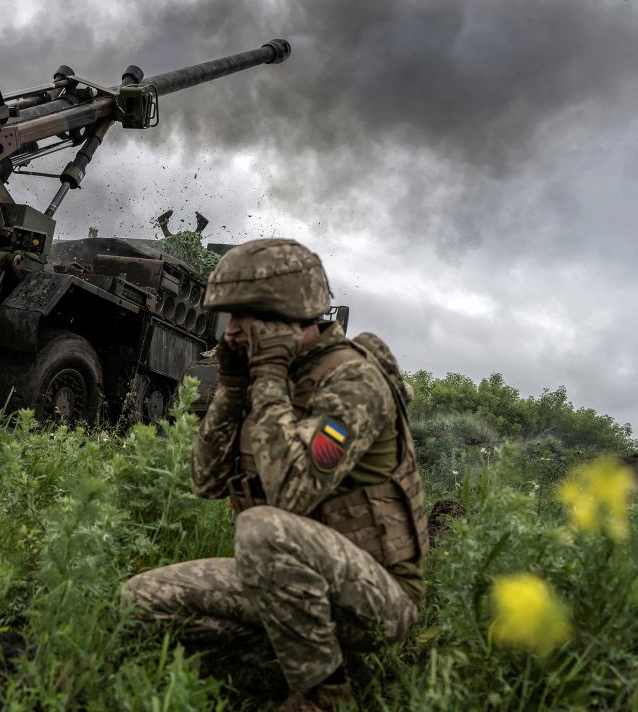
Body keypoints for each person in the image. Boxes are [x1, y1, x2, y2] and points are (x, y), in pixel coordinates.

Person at [121, 238, 428, 710]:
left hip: (375, 599)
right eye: (230, 318)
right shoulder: (267, 374)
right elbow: (206, 480)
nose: (233, 331)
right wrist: (232, 386)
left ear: (290, 316)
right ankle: (300, 656)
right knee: (142, 601)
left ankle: (327, 695)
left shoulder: (352, 383)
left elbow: (290, 494)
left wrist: (265, 378)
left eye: (245, 317)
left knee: (261, 527)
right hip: (293, 587)